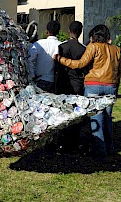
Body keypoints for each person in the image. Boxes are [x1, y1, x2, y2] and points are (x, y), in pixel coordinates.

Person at [56, 24, 121, 160]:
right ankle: (109, 148)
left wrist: (61, 59)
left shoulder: (93, 47)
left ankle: (100, 152)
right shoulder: (116, 50)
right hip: (111, 85)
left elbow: (79, 64)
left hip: (94, 85)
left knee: (96, 119)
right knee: (107, 119)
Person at [55, 21, 87, 153]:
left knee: (63, 112)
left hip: (63, 83)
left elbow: (57, 66)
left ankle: (62, 142)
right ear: (80, 32)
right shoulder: (83, 49)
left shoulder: (62, 47)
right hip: (77, 83)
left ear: (69, 31)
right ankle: (74, 142)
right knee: (76, 113)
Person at [29, 20, 61, 93]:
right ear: (58, 32)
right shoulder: (61, 45)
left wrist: (32, 75)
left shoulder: (38, 44)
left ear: (47, 32)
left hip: (40, 80)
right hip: (56, 82)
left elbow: (30, 60)